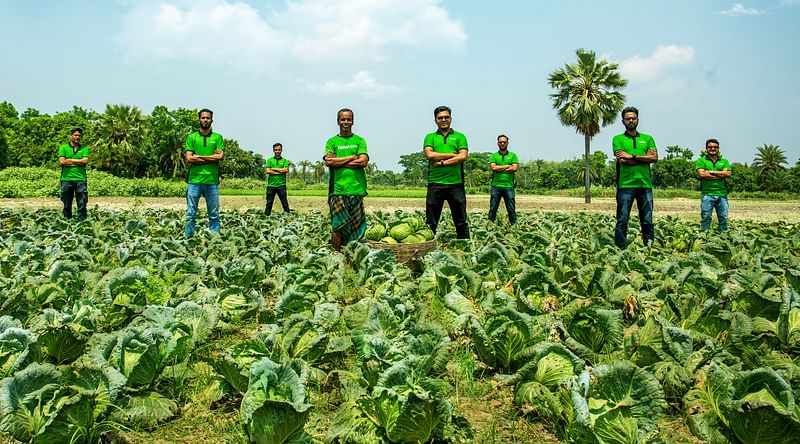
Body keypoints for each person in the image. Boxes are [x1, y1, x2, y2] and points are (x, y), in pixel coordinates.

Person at [612, 106, 658, 249]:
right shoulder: (618, 139)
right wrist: (644, 158)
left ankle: (649, 247)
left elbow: (654, 158)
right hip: (625, 185)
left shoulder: (648, 138)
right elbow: (622, 160)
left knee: (647, 220)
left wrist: (632, 156)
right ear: (623, 121)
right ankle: (620, 247)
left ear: (637, 120)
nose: (631, 120)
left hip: (645, 185)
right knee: (622, 219)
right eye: (628, 118)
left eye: (633, 118)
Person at [324, 108, 368, 251]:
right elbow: (329, 162)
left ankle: (352, 257)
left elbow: (363, 162)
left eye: (348, 119)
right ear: (338, 121)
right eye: (343, 119)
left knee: (357, 226)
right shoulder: (332, 141)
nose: (346, 122)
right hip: (338, 190)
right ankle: (337, 257)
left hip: (356, 189)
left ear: (353, 121)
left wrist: (339, 161)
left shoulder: (360, 140)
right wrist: (351, 157)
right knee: (338, 225)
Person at [423, 106, 470, 239]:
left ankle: (465, 248)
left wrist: (442, 162)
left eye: (446, 117)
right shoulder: (430, 137)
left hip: (456, 184)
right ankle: (428, 249)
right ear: (435, 120)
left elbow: (463, 156)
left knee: (461, 221)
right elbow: (429, 155)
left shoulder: (460, 137)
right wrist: (451, 154)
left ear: (451, 118)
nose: (444, 120)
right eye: (440, 118)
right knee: (431, 222)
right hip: (435, 184)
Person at [184, 108, 224, 238]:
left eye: (208, 118)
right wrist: (211, 157)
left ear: (212, 120)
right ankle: (188, 238)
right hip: (194, 180)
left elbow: (220, 157)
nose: (205, 120)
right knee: (191, 213)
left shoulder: (217, 137)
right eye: (203, 117)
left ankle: (215, 239)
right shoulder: (192, 137)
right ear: (199, 120)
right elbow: (189, 158)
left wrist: (198, 157)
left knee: (214, 213)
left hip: (212, 180)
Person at [695, 139, 732, 231]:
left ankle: (724, 236)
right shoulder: (701, 161)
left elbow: (728, 174)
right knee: (706, 217)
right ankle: (705, 237)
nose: (713, 149)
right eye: (710, 147)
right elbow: (702, 174)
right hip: (707, 194)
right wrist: (720, 175)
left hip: (722, 194)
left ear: (718, 148)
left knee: (723, 218)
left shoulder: (724, 161)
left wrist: (711, 172)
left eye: (715, 147)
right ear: (706, 148)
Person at [57, 127, 90, 220]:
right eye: (75, 135)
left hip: (80, 179)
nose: (77, 137)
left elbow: (85, 161)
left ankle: (82, 223)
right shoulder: (63, 147)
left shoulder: (84, 148)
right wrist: (78, 162)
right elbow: (62, 162)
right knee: (67, 204)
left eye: (79, 135)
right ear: (71, 136)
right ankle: (67, 222)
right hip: (66, 179)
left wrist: (70, 160)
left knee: (82, 203)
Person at [487, 134, 519, 224]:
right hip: (495, 186)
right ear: (497, 143)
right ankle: (489, 226)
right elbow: (493, 168)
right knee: (493, 208)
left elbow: (514, 168)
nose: (502, 143)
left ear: (507, 143)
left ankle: (513, 226)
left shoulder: (513, 155)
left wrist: (499, 168)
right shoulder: (493, 156)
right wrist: (508, 166)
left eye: (504, 142)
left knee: (511, 209)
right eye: (500, 142)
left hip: (509, 186)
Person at [264, 142, 290, 215]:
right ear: (273, 150)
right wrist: (280, 171)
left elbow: (286, 170)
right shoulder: (269, 160)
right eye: (276, 150)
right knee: (269, 203)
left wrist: (273, 169)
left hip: (281, 185)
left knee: (284, 203)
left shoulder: (284, 160)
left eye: (279, 150)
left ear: (281, 150)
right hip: (271, 185)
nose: (277, 151)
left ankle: (288, 217)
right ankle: (266, 216)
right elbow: (267, 171)